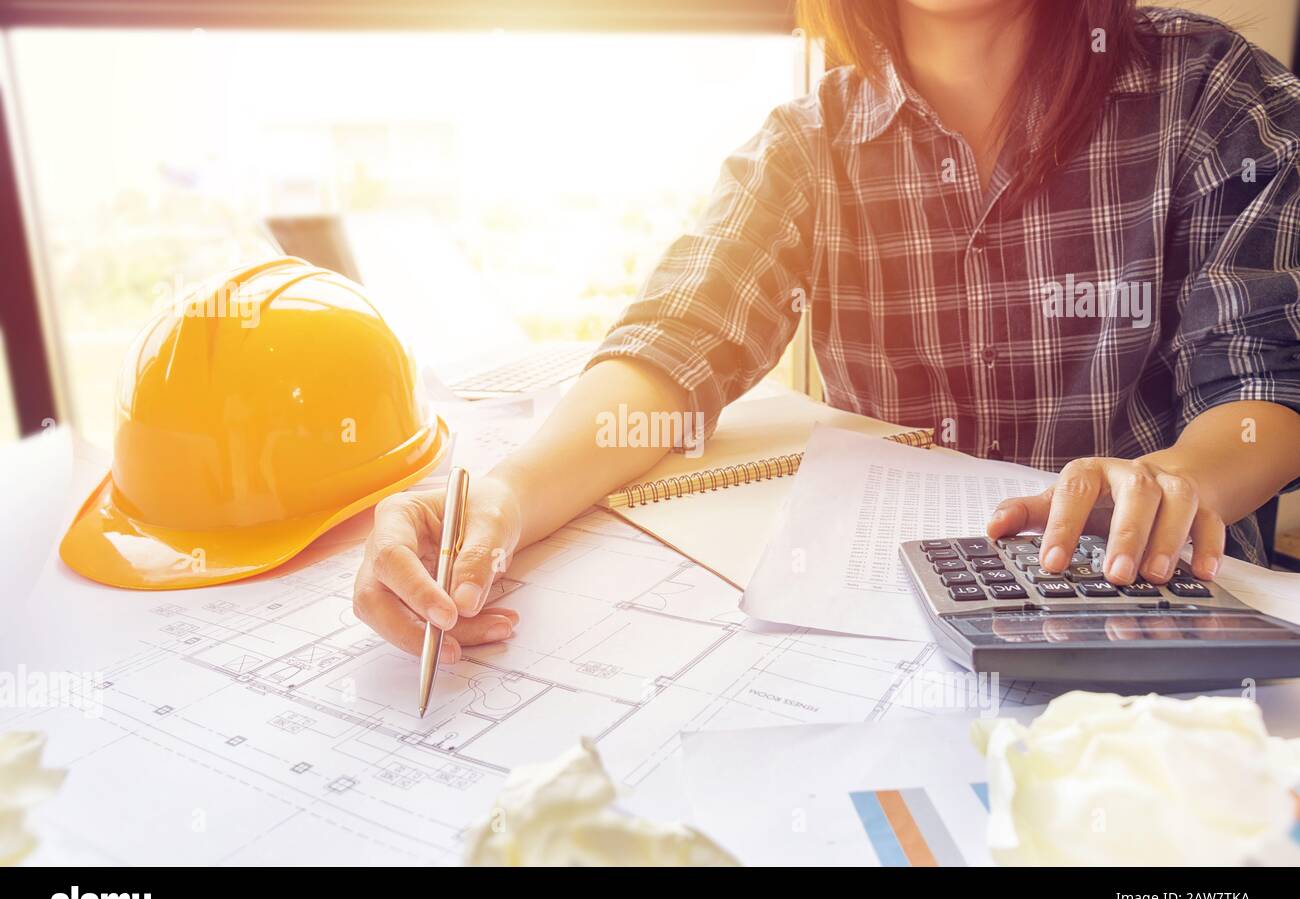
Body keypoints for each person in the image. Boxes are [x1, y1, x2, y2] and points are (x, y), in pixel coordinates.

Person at [353, 1, 1300, 659]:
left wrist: (1174, 480)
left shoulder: (1208, 93)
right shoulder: (807, 146)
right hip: (888, 635)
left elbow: (1264, 387)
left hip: (1158, 613)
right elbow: (674, 348)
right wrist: (505, 499)